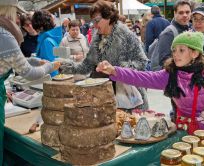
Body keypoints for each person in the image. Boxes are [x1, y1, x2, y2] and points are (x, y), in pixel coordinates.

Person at [96, 31, 204, 137]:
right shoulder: (170, 74)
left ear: (195, 53)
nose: (176, 54)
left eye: (182, 50)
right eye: (174, 50)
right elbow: (141, 77)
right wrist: (114, 70)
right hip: (187, 133)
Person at [0, 0, 60, 164]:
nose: (18, 19)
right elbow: (28, 73)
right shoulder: (5, 35)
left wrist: (35, 61)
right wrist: (49, 66)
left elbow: (11, 59)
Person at [60, 0, 149, 110]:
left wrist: (118, 69)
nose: (95, 25)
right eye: (93, 21)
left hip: (129, 99)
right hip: (104, 97)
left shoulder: (125, 35)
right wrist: (67, 66)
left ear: (109, 17)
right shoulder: (97, 38)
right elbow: (87, 65)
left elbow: (142, 62)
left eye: (97, 20)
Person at [158, 0, 191, 67]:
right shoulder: (168, 33)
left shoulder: (191, 29)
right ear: (175, 13)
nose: (185, 15)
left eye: (187, 12)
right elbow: (164, 61)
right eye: (181, 13)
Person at [32, 10, 63, 77]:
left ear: (41, 27)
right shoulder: (51, 38)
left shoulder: (46, 41)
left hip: (49, 81)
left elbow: (51, 67)